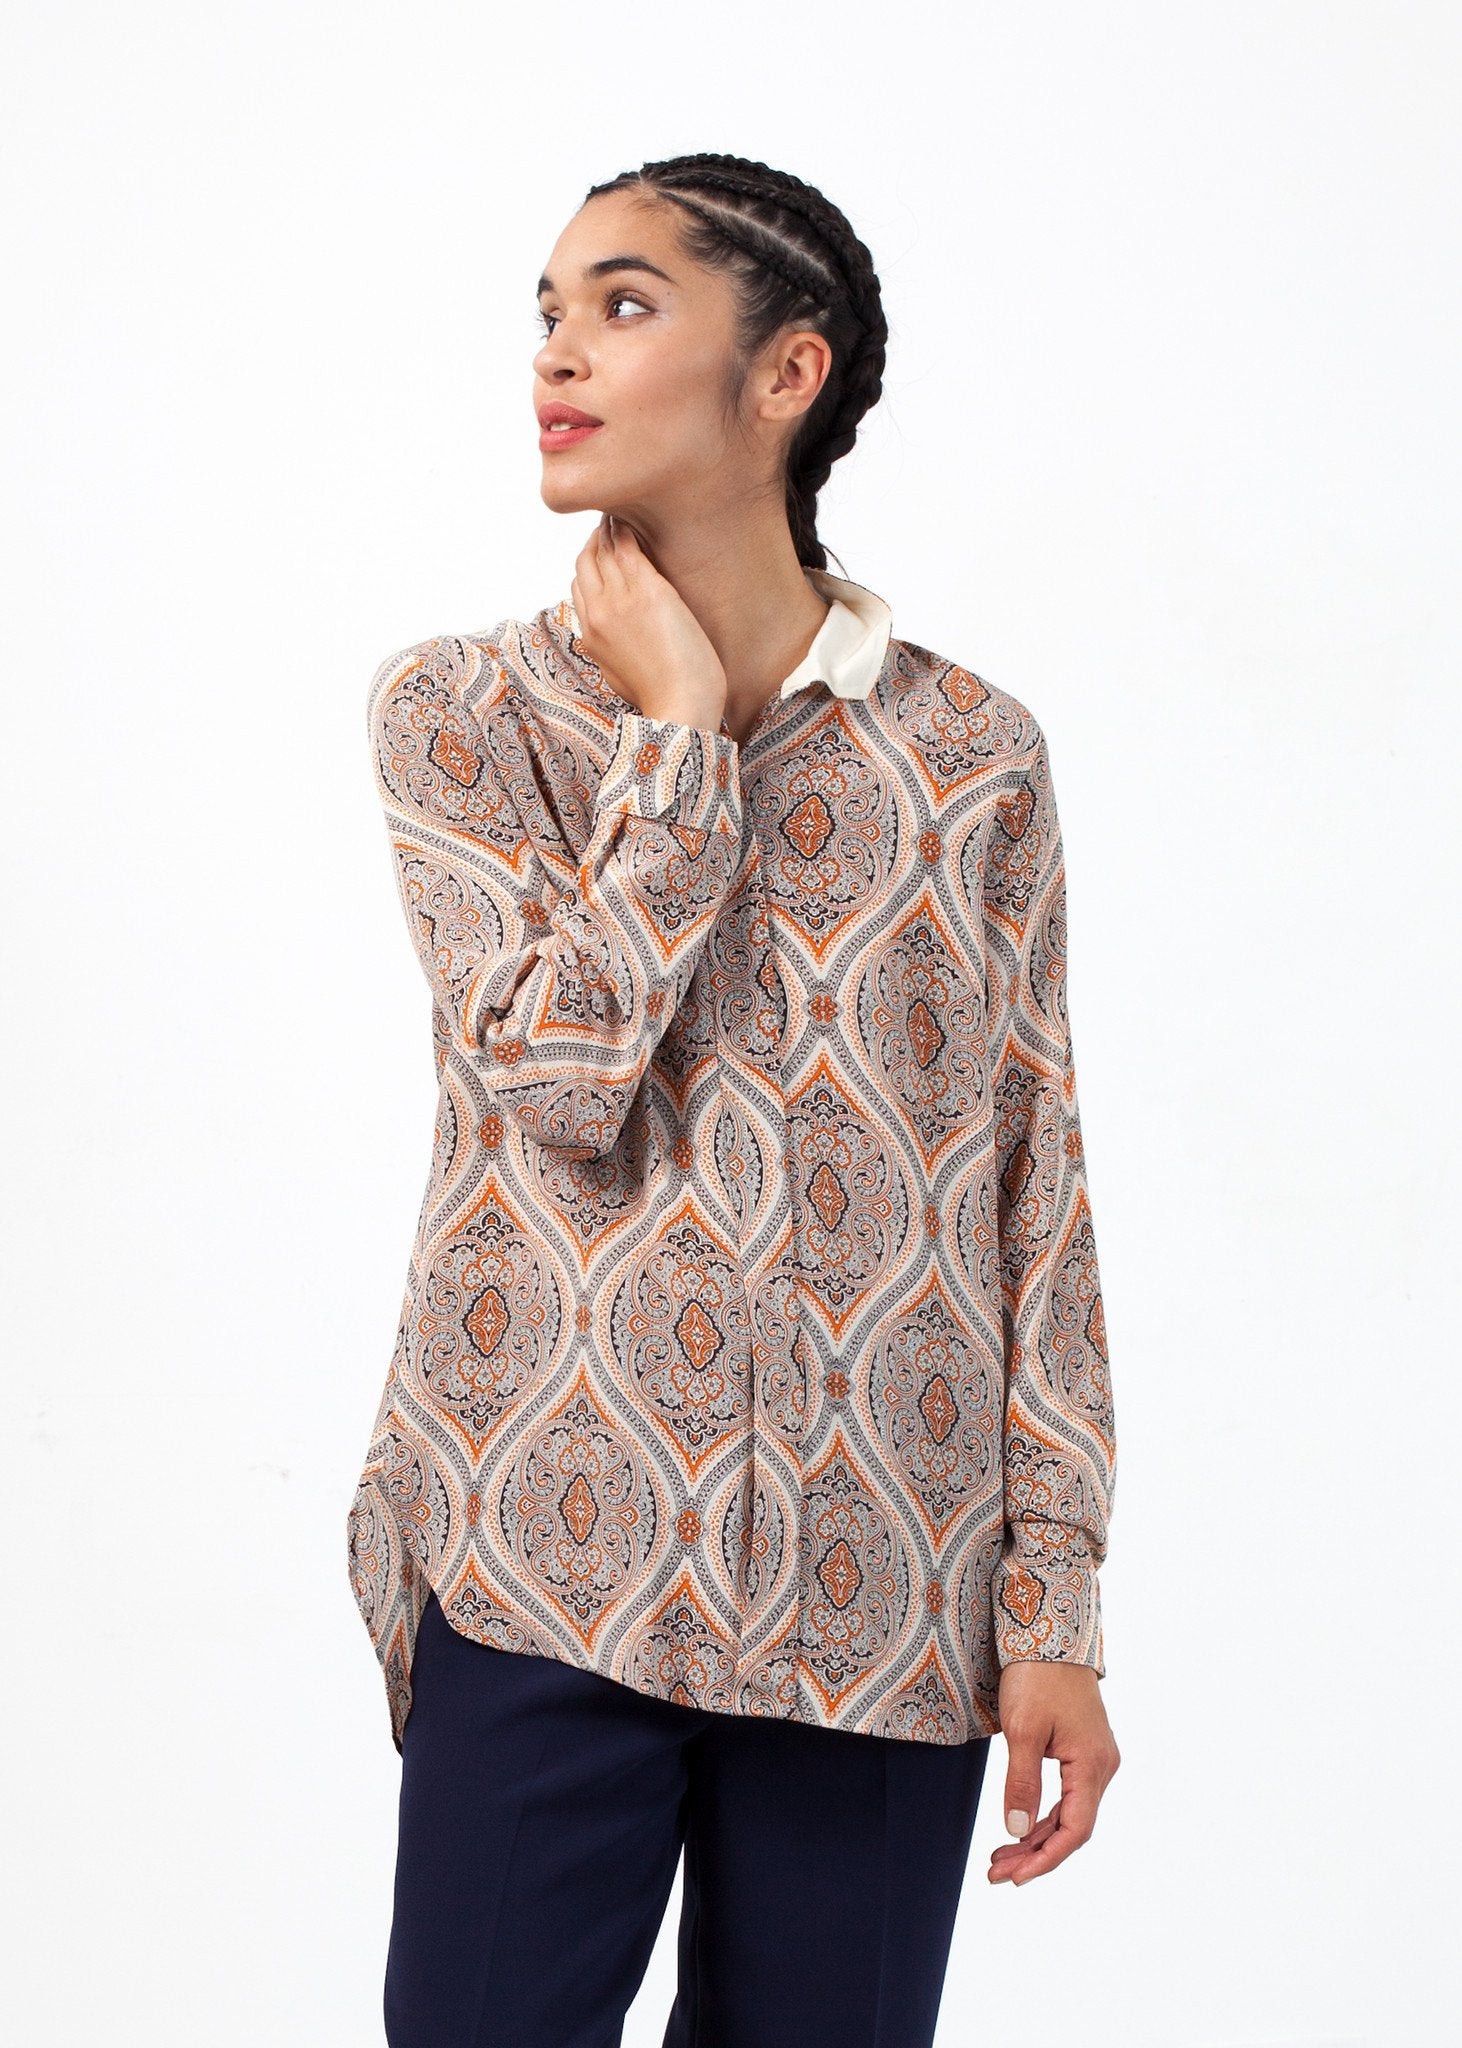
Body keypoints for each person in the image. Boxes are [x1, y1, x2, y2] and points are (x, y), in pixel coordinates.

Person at [347, 151, 1121, 2048]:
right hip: (548, 1556)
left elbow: (1033, 1189)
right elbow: (558, 1076)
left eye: (622, 305)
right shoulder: (465, 714)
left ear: (787, 372)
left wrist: (1052, 1607)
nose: (557, 354)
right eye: (546, 312)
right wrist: (679, 740)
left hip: (888, 1596)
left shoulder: (971, 757)